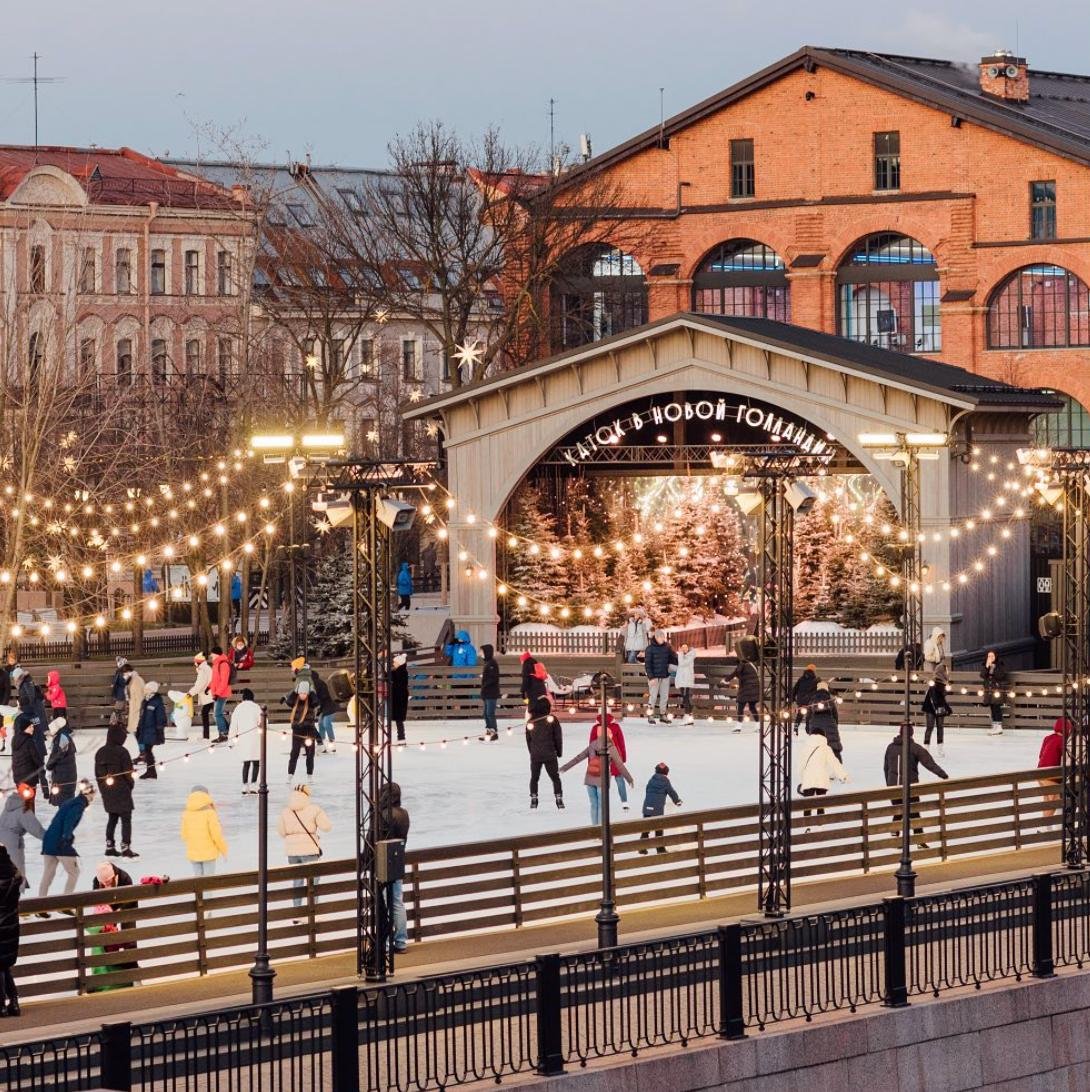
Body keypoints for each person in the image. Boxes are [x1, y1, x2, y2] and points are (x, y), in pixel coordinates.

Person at [883, 724, 949, 845]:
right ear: (912, 734)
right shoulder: (915, 748)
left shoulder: (890, 747)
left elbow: (886, 768)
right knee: (914, 812)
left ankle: (895, 836)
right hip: (910, 786)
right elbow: (929, 763)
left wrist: (889, 785)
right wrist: (943, 775)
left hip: (893, 786)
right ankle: (919, 840)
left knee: (899, 811)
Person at [561, 720, 633, 825]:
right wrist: (629, 779)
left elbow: (578, 758)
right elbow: (619, 765)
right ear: (609, 735)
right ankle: (600, 831)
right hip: (602, 780)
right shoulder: (611, 748)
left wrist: (564, 768)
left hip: (590, 777)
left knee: (593, 805)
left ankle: (594, 828)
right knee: (601, 805)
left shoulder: (593, 745)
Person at [277, 784, 332, 908]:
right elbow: (327, 827)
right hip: (309, 851)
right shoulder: (314, 809)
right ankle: (312, 911)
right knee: (313, 883)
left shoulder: (286, 811)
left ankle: (297, 912)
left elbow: (281, 832)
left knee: (297, 882)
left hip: (292, 853)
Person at [39, 779, 95, 900]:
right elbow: (68, 821)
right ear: (88, 794)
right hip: (60, 842)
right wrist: (67, 837)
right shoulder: (78, 805)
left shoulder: (72, 802)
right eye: (93, 795)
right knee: (74, 872)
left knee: (48, 874)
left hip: (49, 840)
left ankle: (40, 903)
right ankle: (66, 902)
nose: (93, 798)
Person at [371, 782, 410, 953]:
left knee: (383, 904)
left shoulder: (382, 814)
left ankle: (385, 943)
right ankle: (400, 941)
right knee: (397, 902)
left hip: (382, 862)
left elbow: (373, 838)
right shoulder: (404, 814)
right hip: (398, 860)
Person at [95, 724, 137, 858]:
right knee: (126, 819)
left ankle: (110, 846)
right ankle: (125, 847)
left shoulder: (100, 752)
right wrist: (129, 786)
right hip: (122, 791)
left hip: (107, 791)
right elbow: (128, 773)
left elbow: (98, 775)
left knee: (112, 818)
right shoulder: (122, 752)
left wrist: (104, 790)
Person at [797, 724, 848, 827]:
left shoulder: (805, 747)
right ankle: (820, 824)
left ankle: (807, 825)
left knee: (807, 804)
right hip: (821, 778)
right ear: (823, 736)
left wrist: (802, 777)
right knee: (820, 803)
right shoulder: (826, 748)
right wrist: (843, 775)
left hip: (808, 778)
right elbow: (834, 763)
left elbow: (800, 764)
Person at [0, 785, 44, 891]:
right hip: (12, 843)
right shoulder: (22, 810)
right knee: (14, 870)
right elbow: (36, 830)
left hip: (2, 840)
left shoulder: (9, 806)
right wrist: (51, 837)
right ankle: (15, 896)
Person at [180, 785, 228, 876]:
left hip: (193, 854)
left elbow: (184, 835)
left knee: (198, 881)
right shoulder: (210, 813)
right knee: (208, 881)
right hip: (209, 854)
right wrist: (223, 850)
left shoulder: (186, 814)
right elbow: (216, 835)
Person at [525, 702, 564, 810]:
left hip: (536, 755)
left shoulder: (530, 722)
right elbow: (558, 737)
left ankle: (534, 798)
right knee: (555, 778)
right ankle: (559, 798)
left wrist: (532, 752)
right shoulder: (552, 719)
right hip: (550, 753)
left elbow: (528, 740)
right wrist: (559, 752)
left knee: (534, 778)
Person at [639, 762, 682, 854]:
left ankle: (642, 847)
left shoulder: (651, 779)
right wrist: (677, 801)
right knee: (659, 828)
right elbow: (671, 792)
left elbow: (647, 790)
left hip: (647, 807)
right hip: (657, 809)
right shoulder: (665, 781)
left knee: (646, 828)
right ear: (666, 772)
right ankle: (660, 849)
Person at [589, 713, 629, 810]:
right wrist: (623, 757)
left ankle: (604, 802)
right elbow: (621, 742)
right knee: (619, 779)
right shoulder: (615, 727)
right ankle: (624, 802)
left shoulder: (595, 728)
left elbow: (591, 745)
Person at [0, 845, 22, 1016]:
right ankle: (14, 1002)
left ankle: (1, 1006)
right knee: (4, 965)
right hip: (11, 925)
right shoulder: (14, 874)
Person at [282, 683, 320, 780]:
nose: (303, 695)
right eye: (301, 693)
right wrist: (295, 692)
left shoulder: (311, 701)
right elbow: (289, 702)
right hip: (297, 730)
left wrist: (311, 692)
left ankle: (310, 775)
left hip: (309, 731)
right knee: (294, 753)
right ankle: (290, 774)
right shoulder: (295, 700)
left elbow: (317, 702)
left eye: (305, 693)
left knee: (310, 754)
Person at [230, 688, 263, 793]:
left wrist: (231, 740)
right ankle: (253, 784)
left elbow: (233, 725)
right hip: (255, 739)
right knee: (256, 762)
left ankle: (244, 785)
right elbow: (263, 721)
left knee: (246, 763)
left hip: (243, 739)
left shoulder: (238, 708)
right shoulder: (256, 707)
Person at [1038, 717, 1069, 819]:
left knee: (1047, 799)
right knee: (1054, 799)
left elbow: (1040, 755)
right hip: (1051, 775)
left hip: (1039, 773)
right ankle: (1045, 826)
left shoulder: (1048, 738)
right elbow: (1066, 759)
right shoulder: (1063, 741)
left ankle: (1043, 827)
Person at [643, 630, 676, 724]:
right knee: (653, 696)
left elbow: (674, 657)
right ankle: (650, 715)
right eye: (661, 637)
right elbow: (647, 664)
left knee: (664, 696)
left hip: (665, 676)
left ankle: (663, 714)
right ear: (656, 638)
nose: (663, 639)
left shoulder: (667, 647)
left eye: (663, 637)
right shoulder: (650, 648)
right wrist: (651, 677)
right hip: (654, 677)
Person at [135, 681, 167, 779]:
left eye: (147, 689)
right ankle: (151, 771)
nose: (145, 690)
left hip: (152, 731)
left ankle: (151, 772)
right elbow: (144, 716)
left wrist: (159, 730)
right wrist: (139, 727)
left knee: (148, 751)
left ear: (152, 690)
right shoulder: (146, 701)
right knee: (147, 751)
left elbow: (161, 717)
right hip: (146, 730)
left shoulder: (157, 702)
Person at [808, 681, 843, 760]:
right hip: (829, 724)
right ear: (827, 690)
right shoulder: (830, 700)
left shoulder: (812, 701)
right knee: (832, 744)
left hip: (815, 725)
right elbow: (835, 715)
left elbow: (808, 715)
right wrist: (835, 725)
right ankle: (836, 761)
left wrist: (809, 727)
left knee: (816, 746)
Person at [922, 663, 951, 755]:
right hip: (931, 707)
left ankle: (939, 747)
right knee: (931, 727)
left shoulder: (944, 682)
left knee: (939, 727)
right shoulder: (935, 682)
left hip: (939, 707)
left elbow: (943, 696)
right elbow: (935, 696)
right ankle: (926, 747)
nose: (947, 672)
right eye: (946, 670)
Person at [46, 718, 77, 802]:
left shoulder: (63, 737)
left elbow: (59, 754)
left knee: (65, 802)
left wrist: (49, 765)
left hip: (64, 776)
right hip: (65, 774)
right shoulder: (62, 736)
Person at [726, 657, 760, 732]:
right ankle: (758, 726)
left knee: (740, 707)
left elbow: (735, 673)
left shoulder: (741, 665)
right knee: (752, 707)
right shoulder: (752, 665)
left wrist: (725, 680)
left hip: (746, 689)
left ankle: (738, 727)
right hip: (755, 688)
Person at [981, 650, 1009, 736]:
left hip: (997, 690)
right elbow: (982, 675)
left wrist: (993, 668)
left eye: (992, 656)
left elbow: (1000, 675)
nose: (990, 658)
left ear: (996, 656)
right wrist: (987, 666)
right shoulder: (985, 665)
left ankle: (999, 726)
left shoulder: (1000, 664)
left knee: (997, 707)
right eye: (989, 656)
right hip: (989, 690)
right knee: (992, 708)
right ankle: (994, 725)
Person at [11, 715, 42, 791]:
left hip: (18, 778)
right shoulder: (29, 741)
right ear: (25, 729)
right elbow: (36, 758)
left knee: (21, 801)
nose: (32, 728)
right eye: (30, 727)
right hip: (29, 778)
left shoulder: (15, 740)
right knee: (29, 802)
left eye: (32, 726)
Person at [188, 653, 214, 740]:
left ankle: (206, 736)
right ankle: (206, 735)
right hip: (210, 695)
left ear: (198, 662)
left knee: (205, 713)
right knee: (215, 713)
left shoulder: (203, 670)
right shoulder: (205, 668)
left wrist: (190, 693)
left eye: (195, 662)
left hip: (209, 695)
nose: (194, 663)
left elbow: (200, 685)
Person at [209, 646, 232, 743]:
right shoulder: (216, 664)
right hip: (217, 692)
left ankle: (223, 733)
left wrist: (217, 693)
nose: (211, 655)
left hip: (222, 693)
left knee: (217, 714)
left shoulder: (223, 664)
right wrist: (209, 687)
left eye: (212, 654)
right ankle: (227, 731)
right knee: (218, 713)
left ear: (216, 654)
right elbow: (215, 679)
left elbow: (224, 681)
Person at [312, 670, 338, 753]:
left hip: (329, 706)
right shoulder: (316, 683)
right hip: (323, 707)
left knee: (326, 724)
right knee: (320, 723)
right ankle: (321, 743)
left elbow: (323, 696)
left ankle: (332, 742)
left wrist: (317, 704)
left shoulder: (318, 683)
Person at [479, 643, 500, 742]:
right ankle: (488, 731)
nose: (480, 654)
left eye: (482, 652)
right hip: (487, 693)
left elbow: (493, 678)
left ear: (487, 652)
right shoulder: (487, 663)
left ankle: (494, 732)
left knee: (490, 713)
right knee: (485, 713)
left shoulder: (492, 664)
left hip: (491, 693)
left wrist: (485, 682)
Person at [791, 664, 819, 734]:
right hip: (810, 701)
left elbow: (795, 689)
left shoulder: (801, 679)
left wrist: (792, 698)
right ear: (814, 671)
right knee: (809, 715)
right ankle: (808, 729)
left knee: (799, 716)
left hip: (801, 700)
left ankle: (795, 728)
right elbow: (817, 691)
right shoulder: (815, 680)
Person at [674, 643, 697, 725]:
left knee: (685, 698)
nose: (684, 649)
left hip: (686, 681)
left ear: (688, 648)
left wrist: (680, 653)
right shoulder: (683, 656)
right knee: (685, 698)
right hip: (682, 680)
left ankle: (687, 716)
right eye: (682, 647)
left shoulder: (690, 656)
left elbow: (682, 663)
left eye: (685, 647)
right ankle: (689, 717)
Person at [123, 663, 146, 740]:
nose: (124, 675)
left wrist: (140, 705)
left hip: (137, 703)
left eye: (125, 673)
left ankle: (135, 729)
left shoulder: (136, 680)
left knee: (136, 716)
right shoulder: (131, 679)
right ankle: (132, 728)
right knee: (133, 715)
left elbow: (140, 695)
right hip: (133, 702)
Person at [389, 654, 409, 744]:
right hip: (398, 698)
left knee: (399, 720)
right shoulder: (398, 672)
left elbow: (397, 683)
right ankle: (401, 738)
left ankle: (401, 738)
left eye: (395, 662)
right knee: (398, 720)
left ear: (400, 663)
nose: (393, 663)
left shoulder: (402, 673)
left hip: (399, 699)